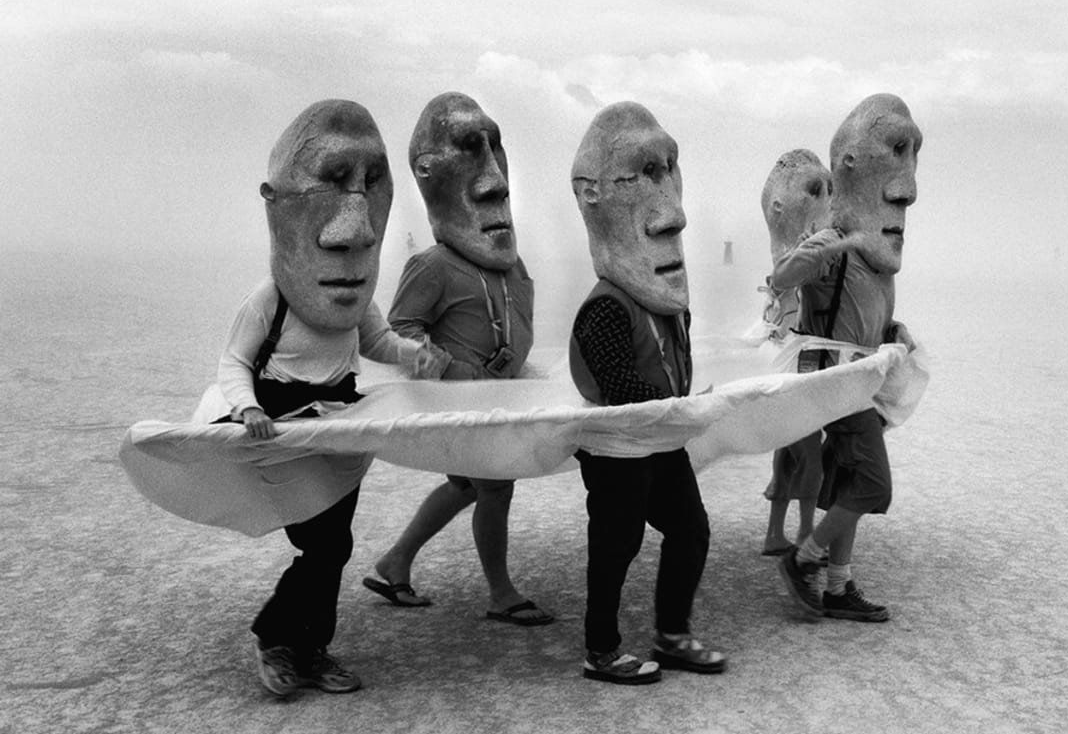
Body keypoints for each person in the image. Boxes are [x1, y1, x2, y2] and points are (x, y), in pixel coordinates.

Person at [220, 99, 445, 696]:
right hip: (283, 424)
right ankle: (278, 638)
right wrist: (247, 408)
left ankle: (310, 648)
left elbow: (375, 340)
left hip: (340, 424)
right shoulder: (269, 300)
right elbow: (235, 361)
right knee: (325, 545)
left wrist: (410, 355)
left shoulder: (351, 294)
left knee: (334, 546)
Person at [362, 92, 553, 626]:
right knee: (494, 488)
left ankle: (394, 562)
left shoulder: (508, 266)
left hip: (500, 403)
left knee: (467, 486)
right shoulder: (433, 265)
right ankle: (501, 593)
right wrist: (448, 367)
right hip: (463, 404)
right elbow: (400, 328)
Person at [568, 101, 726, 684]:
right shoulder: (606, 306)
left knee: (691, 530)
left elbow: (668, 368)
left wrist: (690, 405)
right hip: (619, 451)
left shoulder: (666, 302)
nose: (673, 215)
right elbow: (620, 387)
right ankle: (601, 651)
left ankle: (672, 631)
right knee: (616, 545)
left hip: (661, 442)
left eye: (670, 171)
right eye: (644, 174)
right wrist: (691, 409)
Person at [775, 94, 922, 623]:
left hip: (858, 383)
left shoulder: (875, 257)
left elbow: (866, 317)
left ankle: (838, 585)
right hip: (835, 385)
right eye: (897, 151)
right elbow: (783, 277)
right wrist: (830, 247)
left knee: (848, 487)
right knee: (872, 484)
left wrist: (893, 332)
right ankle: (804, 557)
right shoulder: (836, 241)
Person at [755, 149, 833, 556]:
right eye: (817, 191)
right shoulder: (801, 258)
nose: (827, 200)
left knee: (788, 451)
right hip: (801, 368)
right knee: (808, 457)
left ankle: (774, 533)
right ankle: (804, 535)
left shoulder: (792, 260)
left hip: (786, 364)